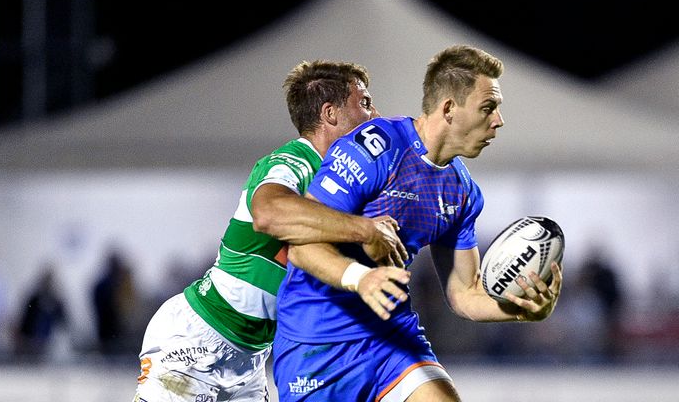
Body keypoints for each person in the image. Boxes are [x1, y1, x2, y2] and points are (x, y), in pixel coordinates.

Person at [273, 45, 564, 402]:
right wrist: (361, 278)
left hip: (391, 340)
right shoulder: (376, 147)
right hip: (317, 343)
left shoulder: (463, 192)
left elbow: (465, 294)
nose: (498, 120)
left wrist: (519, 310)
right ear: (449, 110)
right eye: (488, 108)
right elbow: (302, 248)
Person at [134, 60, 408, 402]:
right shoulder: (293, 161)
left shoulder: (344, 183)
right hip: (196, 338)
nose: (376, 115)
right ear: (330, 113)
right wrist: (364, 229)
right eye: (365, 103)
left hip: (252, 360)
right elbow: (267, 212)